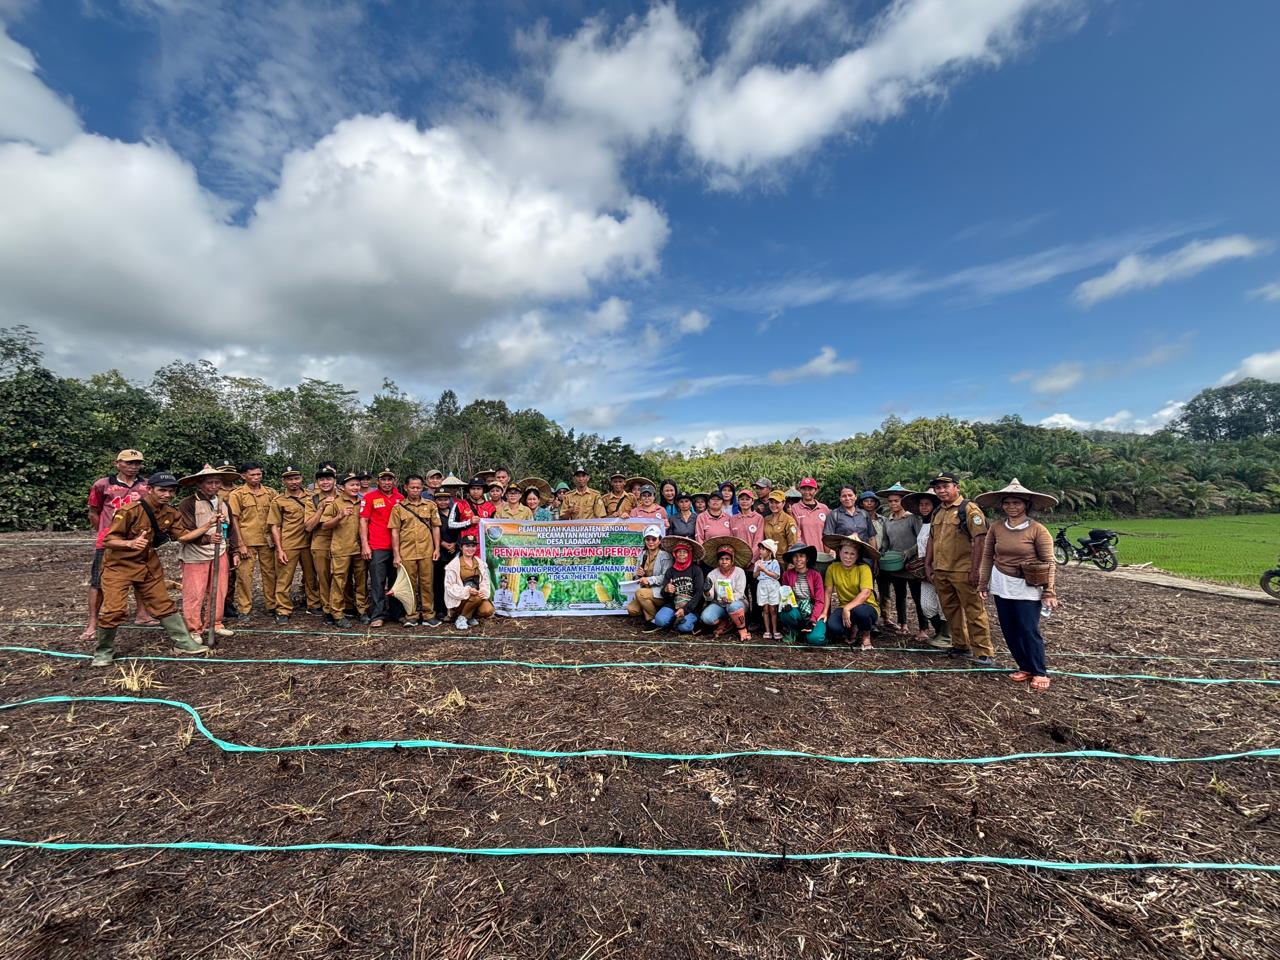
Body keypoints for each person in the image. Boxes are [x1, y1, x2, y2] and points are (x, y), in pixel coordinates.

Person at [90, 472, 212, 667]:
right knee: (114, 609)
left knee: (163, 604)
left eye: (171, 491)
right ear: (149, 489)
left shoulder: (171, 513)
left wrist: (207, 531)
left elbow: (182, 536)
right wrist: (130, 544)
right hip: (119, 566)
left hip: (148, 564)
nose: (167, 494)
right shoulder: (130, 511)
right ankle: (104, 651)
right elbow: (108, 539)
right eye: (162, 490)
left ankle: (183, 643)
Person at [977, 479, 1060, 692]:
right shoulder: (996, 527)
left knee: (1028, 629)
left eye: (1017, 502)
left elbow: (1049, 562)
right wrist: (983, 583)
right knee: (1009, 629)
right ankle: (1024, 666)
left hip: (1027, 586)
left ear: (1026, 505)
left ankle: (1039, 670)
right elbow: (988, 556)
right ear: (1002, 505)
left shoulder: (1037, 530)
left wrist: (1049, 591)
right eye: (1007, 502)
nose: (1012, 506)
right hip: (1001, 584)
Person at [924, 472, 994, 665]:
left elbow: (980, 540)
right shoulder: (938, 511)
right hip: (941, 570)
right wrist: (928, 564)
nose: (941, 490)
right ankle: (960, 645)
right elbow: (931, 539)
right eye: (938, 487)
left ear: (957, 487)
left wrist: (976, 569)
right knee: (950, 611)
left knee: (974, 610)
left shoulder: (969, 510)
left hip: (963, 570)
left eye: (945, 486)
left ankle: (983, 651)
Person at [83, 449, 152, 640]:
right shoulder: (102, 485)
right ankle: (93, 623)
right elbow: (93, 512)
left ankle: (142, 614)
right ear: (117, 463)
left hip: (138, 539)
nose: (133, 467)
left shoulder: (146, 486)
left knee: (141, 577)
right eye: (129, 463)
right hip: (109, 543)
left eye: (137, 463)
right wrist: (105, 532)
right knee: (98, 581)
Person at [176, 464, 240, 641]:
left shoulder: (223, 503)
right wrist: (206, 539)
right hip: (195, 555)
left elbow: (231, 528)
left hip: (219, 553)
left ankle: (215, 623)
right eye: (209, 482)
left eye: (217, 482)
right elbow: (185, 532)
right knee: (194, 593)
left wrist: (234, 550)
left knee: (219, 590)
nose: (213, 486)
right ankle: (194, 629)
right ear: (200, 484)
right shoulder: (188, 504)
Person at [389, 474, 443, 628]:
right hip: (407, 552)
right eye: (412, 487)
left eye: (418, 487)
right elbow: (394, 532)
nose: (415, 490)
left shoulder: (430, 505)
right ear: (406, 488)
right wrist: (396, 555)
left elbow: (435, 527)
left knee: (427, 583)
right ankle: (411, 615)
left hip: (427, 551)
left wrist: (437, 548)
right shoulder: (398, 508)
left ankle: (428, 614)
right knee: (409, 585)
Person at [268, 466, 319, 625]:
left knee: (311, 577)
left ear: (301, 479)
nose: (293, 482)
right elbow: (274, 526)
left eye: (296, 478)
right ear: (284, 481)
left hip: (309, 543)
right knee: (284, 578)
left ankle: (314, 604)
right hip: (289, 543)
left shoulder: (312, 497)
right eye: (289, 479)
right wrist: (279, 549)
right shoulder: (278, 501)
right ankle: (283, 609)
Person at [227, 461, 278, 617]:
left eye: (259, 474)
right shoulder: (237, 494)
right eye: (252, 475)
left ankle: (272, 604)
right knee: (244, 576)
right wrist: (240, 544)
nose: (257, 477)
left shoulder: (270, 493)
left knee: (270, 574)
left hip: (267, 541)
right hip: (247, 541)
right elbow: (234, 519)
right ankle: (244, 608)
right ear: (244, 476)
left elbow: (277, 516)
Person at [903, 490, 951, 648]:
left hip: (939, 568)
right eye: (921, 504)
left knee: (944, 603)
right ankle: (939, 632)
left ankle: (947, 635)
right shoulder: (925, 523)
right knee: (927, 605)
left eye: (927, 504)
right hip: (925, 570)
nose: (924, 507)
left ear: (935, 505)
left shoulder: (940, 522)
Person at [877, 483, 924, 638]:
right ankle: (903, 624)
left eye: (896, 501)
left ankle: (923, 629)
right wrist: (882, 552)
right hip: (896, 563)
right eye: (890, 501)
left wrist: (910, 552)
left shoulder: (912, 518)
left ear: (903, 501)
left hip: (912, 564)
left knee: (918, 597)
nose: (893, 504)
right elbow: (885, 541)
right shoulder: (888, 521)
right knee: (900, 595)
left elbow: (921, 539)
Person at [359, 468, 405, 628]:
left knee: (396, 581)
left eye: (389, 480)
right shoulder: (370, 497)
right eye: (383, 480)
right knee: (378, 582)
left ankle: (397, 613)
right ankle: (378, 614)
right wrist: (365, 544)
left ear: (394, 482)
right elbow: (363, 521)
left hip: (397, 548)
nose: (387, 483)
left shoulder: (401, 498)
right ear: (377, 482)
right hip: (377, 546)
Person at [321, 473, 368, 628]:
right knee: (339, 582)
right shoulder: (335, 503)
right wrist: (339, 516)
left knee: (361, 581)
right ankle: (337, 613)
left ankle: (362, 610)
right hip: (341, 548)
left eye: (357, 485)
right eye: (351, 485)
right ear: (341, 487)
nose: (355, 487)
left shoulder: (364, 502)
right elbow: (324, 525)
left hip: (360, 549)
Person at [821, 535, 881, 649]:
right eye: (845, 553)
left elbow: (866, 593)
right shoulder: (833, 568)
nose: (848, 557)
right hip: (844, 607)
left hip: (866, 606)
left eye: (852, 554)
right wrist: (825, 612)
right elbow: (828, 591)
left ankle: (866, 635)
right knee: (833, 627)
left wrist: (847, 608)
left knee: (860, 612)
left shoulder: (863, 568)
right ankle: (853, 627)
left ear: (858, 555)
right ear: (839, 552)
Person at [649, 536, 705, 634]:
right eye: (679, 552)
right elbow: (663, 594)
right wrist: (666, 590)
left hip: (691, 608)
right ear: (675, 554)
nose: (681, 555)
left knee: (684, 627)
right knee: (660, 621)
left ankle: (693, 623)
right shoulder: (670, 571)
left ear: (689, 554)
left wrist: (685, 609)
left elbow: (699, 593)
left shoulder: (696, 570)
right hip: (673, 605)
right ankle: (673, 621)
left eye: (685, 552)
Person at [700, 537, 751, 640]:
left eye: (727, 559)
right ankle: (725, 622)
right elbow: (710, 598)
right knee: (706, 618)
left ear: (732, 561)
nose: (724, 561)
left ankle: (742, 629)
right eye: (721, 559)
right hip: (719, 604)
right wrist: (706, 592)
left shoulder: (739, 572)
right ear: (718, 561)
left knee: (733, 606)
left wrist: (730, 598)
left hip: (738, 602)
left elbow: (740, 592)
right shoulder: (712, 574)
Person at [306, 468, 339, 624]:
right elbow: (308, 526)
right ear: (317, 483)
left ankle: (341, 606)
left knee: (340, 577)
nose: (325, 482)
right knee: (324, 578)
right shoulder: (312, 500)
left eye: (328, 479)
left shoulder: (343, 497)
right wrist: (321, 507)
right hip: (321, 542)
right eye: (321, 480)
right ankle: (327, 609)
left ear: (334, 480)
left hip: (341, 541)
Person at [443, 534, 494, 629]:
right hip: (460, 599)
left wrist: (483, 591)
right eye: (467, 546)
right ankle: (461, 618)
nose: (470, 549)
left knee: (488, 610)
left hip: (476, 596)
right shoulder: (453, 565)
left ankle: (468, 616)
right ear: (461, 547)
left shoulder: (480, 563)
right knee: (475, 597)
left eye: (473, 546)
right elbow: (449, 587)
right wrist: (467, 591)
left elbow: (485, 581)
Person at [778, 543, 825, 644]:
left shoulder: (815, 575)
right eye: (795, 556)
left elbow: (820, 601)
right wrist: (787, 604)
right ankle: (794, 631)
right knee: (786, 613)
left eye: (801, 556)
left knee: (815, 639)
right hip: (797, 609)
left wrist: (813, 621)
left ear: (807, 559)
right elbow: (785, 594)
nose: (798, 559)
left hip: (812, 611)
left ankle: (812, 631)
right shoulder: (787, 575)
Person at [626, 525, 671, 624]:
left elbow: (666, 577)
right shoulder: (642, 554)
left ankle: (653, 620)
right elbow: (636, 575)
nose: (651, 542)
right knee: (632, 610)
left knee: (640, 593)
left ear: (659, 540)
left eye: (654, 539)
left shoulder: (665, 556)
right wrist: (638, 574)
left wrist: (650, 580)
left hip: (660, 591)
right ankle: (653, 609)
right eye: (648, 539)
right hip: (646, 590)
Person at [433, 487, 461, 621]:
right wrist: (443, 544)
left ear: (449, 500)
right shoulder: (434, 513)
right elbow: (431, 531)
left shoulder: (455, 513)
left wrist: (456, 544)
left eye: (445, 499)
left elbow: (462, 529)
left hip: (455, 552)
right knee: (439, 581)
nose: (443, 502)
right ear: (435, 501)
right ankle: (440, 609)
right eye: (440, 499)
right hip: (439, 551)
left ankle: (454, 608)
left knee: (454, 581)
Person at [754, 539, 782, 640]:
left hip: (773, 586)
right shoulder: (758, 563)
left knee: (773, 608)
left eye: (763, 549)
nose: (761, 551)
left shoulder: (775, 563)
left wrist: (765, 570)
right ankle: (767, 630)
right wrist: (758, 570)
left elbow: (776, 576)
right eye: (760, 549)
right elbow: (754, 575)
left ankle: (775, 630)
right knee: (765, 608)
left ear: (770, 551)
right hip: (762, 586)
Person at [790, 478, 829, 551]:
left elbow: (827, 533)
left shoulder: (824, 509)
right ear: (800, 490)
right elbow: (795, 533)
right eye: (804, 489)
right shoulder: (795, 508)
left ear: (816, 490)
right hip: (804, 553)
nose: (807, 492)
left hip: (821, 552)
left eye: (810, 489)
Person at [728, 488, 765, 562]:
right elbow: (731, 540)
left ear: (752, 502)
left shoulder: (758, 518)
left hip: (753, 562)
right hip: (737, 560)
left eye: (747, 499)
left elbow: (759, 540)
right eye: (742, 499)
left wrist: (750, 559)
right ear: (738, 501)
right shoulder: (733, 519)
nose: (744, 501)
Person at [762, 491, 798, 558]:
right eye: (771, 502)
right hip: (768, 559)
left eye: (777, 502)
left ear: (783, 503)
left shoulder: (789, 521)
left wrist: (790, 561)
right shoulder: (766, 519)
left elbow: (793, 544)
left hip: (783, 560)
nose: (773, 505)